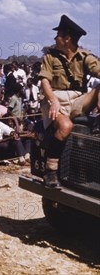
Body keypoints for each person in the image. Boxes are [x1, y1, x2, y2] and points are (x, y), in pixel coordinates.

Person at [38, 15, 100, 188]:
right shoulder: (50, 57)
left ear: (67, 39)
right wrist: (53, 101)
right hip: (54, 98)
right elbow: (44, 82)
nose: (54, 38)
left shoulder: (85, 57)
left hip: (77, 100)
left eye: (57, 35)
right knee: (65, 127)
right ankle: (50, 170)